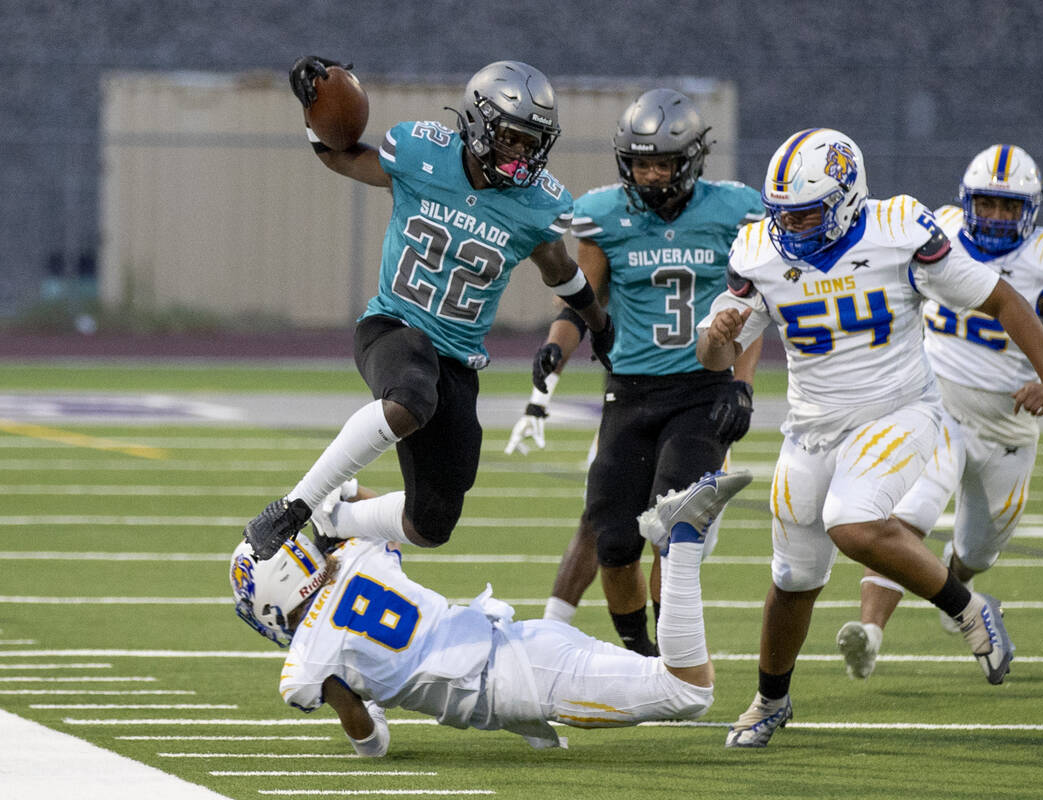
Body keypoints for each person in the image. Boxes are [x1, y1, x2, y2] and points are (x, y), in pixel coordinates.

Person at [695, 128, 1043, 749]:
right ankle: (770, 700)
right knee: (793, 577)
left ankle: (966, 607)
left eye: (807, 212)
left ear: (848, 197)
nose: (792, 227)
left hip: (899, 412)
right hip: (811, 428)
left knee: (851, 521)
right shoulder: (757, 249)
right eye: (784, 214)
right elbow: (715, 355)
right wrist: (720, 334)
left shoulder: (901, 230)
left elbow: (1004, 301)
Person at [241, 56, 614, 561]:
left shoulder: (537, 205)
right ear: (480, 124)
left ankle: (339, 514)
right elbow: (340, 155)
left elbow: (559, 269)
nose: (523, 154)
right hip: (393, 325)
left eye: (533, 142)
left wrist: (598, 324)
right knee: (411, 396)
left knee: (432, 522)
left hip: (456, 358)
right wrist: (313, 109)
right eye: (513, 137)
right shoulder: (422, 155)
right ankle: (295, 507)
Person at [835, 144, 1043, 681]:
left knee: (978, 550)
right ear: (966, 202)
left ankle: (958, 591)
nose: (996, 217)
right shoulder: (935, 231)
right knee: (905, 517)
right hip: (934, 406)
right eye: (986, 204)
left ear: (1030, 210)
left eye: (1009, 208)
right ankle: (870, 633)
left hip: (1007, 424)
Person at [229, 469, 753, 752]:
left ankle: (679, 540)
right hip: (522, 643)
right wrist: (334, 499)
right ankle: (677, 534)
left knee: (688, 691)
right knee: (679, 684)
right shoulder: (355, 557)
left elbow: (371, 740)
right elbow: (383, 510)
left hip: (518, 682)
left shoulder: (306, 667)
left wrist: (363, 696)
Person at [503, 89, 764, 655]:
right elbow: (582, 300)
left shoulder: (734, 210)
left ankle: (672, 660)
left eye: (662, 163)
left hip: (702, 392)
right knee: (615, 542)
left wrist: (741, 385)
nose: (649, 174)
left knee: (673, 535)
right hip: (628, 393)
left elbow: (753, 308)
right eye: (640, 162)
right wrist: (556, 349)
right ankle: (636, 652)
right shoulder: (604, 215)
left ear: (691, 160)